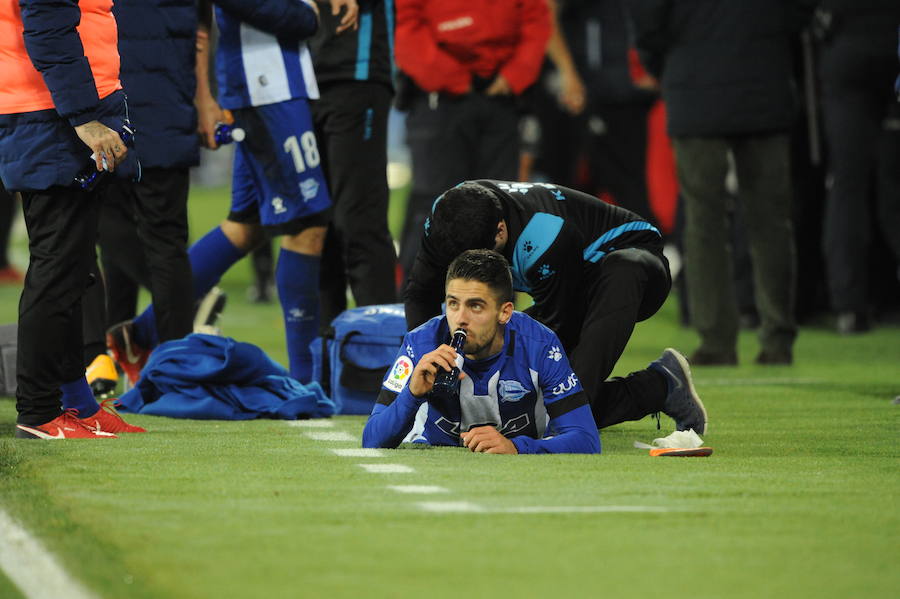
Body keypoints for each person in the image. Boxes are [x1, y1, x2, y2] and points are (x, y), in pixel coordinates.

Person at [107, 0, 331, 385]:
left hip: (273, 80)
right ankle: (308, 382)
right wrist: (308, 13)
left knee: (247, 224)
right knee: (306, 225)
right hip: (265, 84)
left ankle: (139, 334)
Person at [403, 180, 707, 433]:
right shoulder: (445, 219)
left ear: (500, 231)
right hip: (565, 287)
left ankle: (638, 394)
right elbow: (419, 295)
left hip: (633, 265)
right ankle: (661, 385)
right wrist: (434, 368)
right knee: (508, 405)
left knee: (561, 409)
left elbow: (561, 330)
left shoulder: (543, 236)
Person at [630, 0, 806, 365]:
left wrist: (664, 66)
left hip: (693, 83)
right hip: (764, 83)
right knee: (771, 220)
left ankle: (715, 340)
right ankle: (777, 337)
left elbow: (646, 19)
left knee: (703, 221)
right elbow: (798, 14)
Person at [1, 0, 145, 438]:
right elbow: (48, 28)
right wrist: (85, 117)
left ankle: (76, 404)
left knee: (75, 268)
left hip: (53, 107)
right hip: (49, 113)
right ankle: (39, 410)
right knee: (58, 267)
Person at [363, 249, 600, 454]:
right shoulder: (421, 343)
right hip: (438, 469)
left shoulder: (539, 344)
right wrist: (412, 394)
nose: (460, 319)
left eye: (475, 306)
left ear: (504, 312)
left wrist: (517, 447)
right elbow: (371, 439)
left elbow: (585, 438)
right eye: (453, 303)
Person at [394, 0, 552, 276]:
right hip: (440, 98)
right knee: (436, 205)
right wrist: (453, 78)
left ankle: (495, 305)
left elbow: (535, 20)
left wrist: (514, 75)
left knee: (499, 208)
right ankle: (417, 307)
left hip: (500, 99)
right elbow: (407, 27)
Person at [309, 0, 399, 326]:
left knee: (359, 220)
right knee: (313, 225)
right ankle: (324, 358)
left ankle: (382, 352)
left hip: (356, 73)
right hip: (296, 76)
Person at [815, 0, 900, 334]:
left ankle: (848, 306)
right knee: (891, 187)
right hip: (888, 48)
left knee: (848, 185)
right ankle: (883, 298)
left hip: (846, 49)